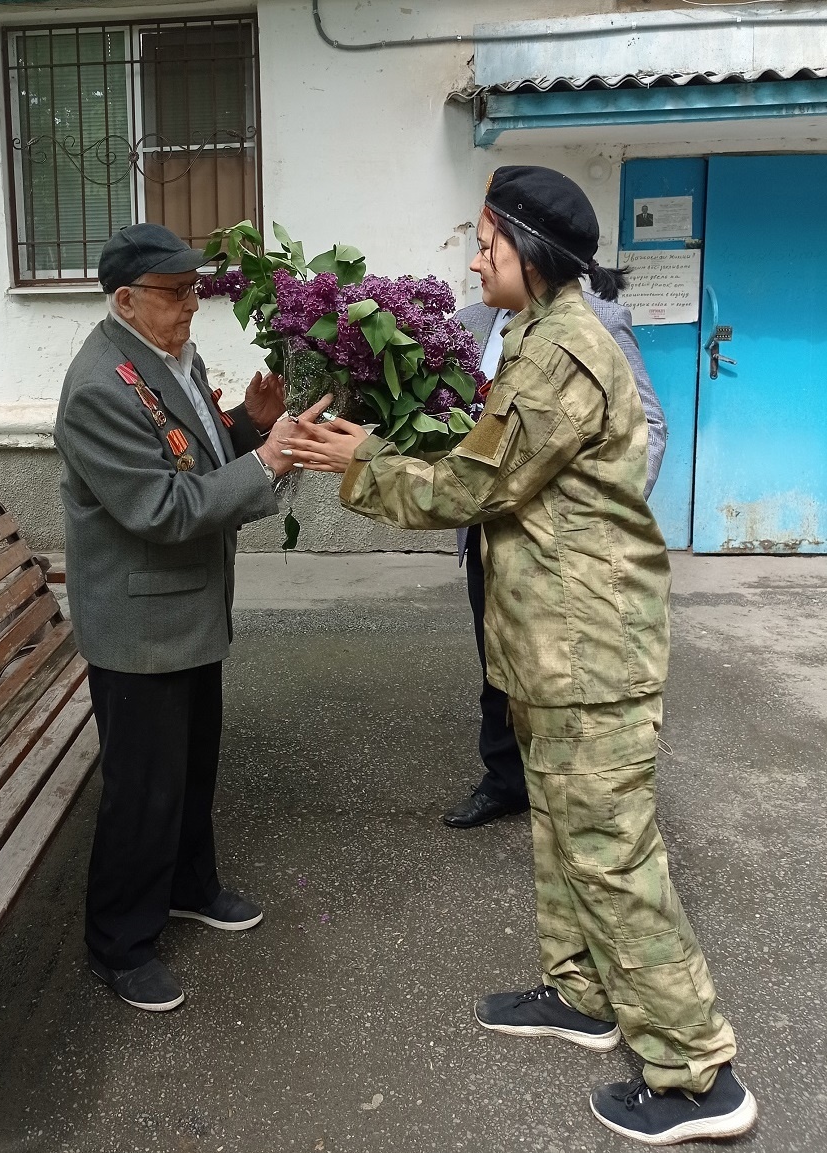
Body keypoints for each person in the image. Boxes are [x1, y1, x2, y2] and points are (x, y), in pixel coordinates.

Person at [283, 168, 756, 1145]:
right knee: (565, 835)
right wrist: (384, 442)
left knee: (613, 855)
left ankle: (697, 1071)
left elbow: (474, 486)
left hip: (590, 652)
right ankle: (583, 996)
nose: (473, 257)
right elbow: (492, 459)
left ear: (531, 253)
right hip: (554, 646)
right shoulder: (543, 339)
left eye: (486, 241)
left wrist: (356, 462)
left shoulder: (567, 352)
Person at [54, 223, 296, 1013]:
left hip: (185, 611)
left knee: (191, 766)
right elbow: (161, 506)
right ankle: (120, 941)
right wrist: (265, 461)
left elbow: (189, 457)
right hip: (139, 626)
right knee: (142, 789)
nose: (193, 305)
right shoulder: (99, 386)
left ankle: (191, 885)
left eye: (197, 288)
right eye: (176, 293)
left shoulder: (163, 359)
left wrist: (247, 427)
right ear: (126, 300)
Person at [444, 292, 667, 829]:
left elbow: (649, 425)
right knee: (496, 655)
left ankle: (574, 789)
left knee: (567, 666)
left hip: (561, 541)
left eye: (488, 242)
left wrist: (605, 510)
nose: (479, 261)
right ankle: (505, 780)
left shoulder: (598, 319)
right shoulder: (472, 323)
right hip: (488, 528)